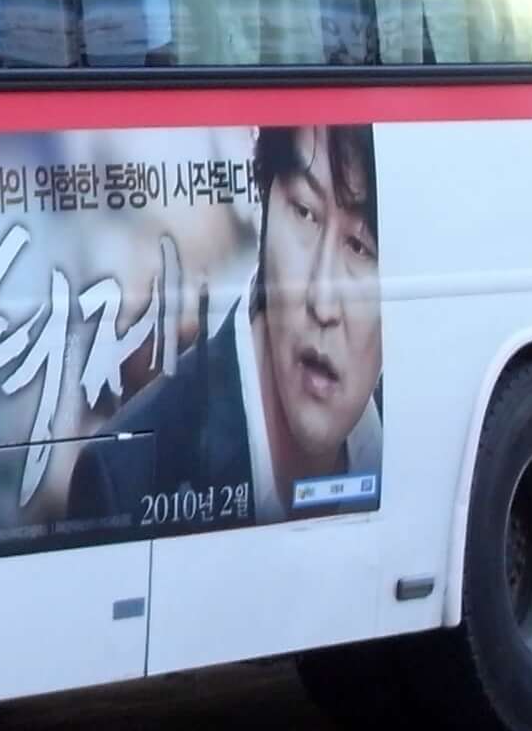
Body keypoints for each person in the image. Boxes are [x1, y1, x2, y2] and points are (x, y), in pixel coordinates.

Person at [71, 124, 386, 530]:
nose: (322, 302)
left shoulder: (421, 434)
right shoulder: (122, 478)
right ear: (262, 206)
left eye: (360, 246)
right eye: (304, 212)